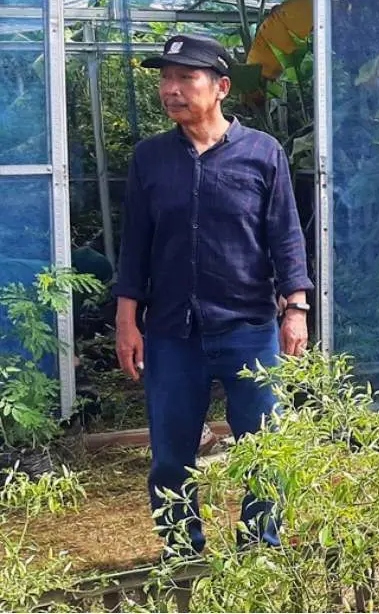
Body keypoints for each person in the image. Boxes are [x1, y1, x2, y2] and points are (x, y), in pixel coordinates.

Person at [114, 33, 312, 556]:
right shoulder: (150, 158)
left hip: (249, 327)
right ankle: (183, 552)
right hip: (173, 333)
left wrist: (295, 308)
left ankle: (260, 549)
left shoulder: (262, 153)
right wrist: (127, 321)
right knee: (170, 454)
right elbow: (134, 245)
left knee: (265, 450)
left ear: (221, 87)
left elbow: (286, 235)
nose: (171, 89)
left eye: (185, 77)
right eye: (165, 78)